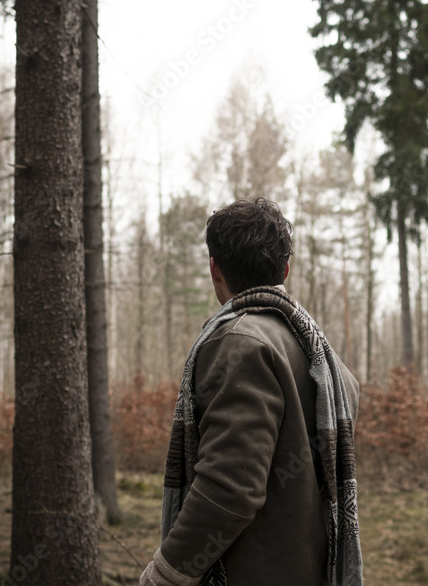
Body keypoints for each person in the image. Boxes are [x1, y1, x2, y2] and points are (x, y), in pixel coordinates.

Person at [139, 197, 363, 586]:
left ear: (215, 268)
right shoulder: (317, 351)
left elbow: (230, 487)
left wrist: (166, 572)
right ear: (285, 270)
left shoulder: (238, 343)